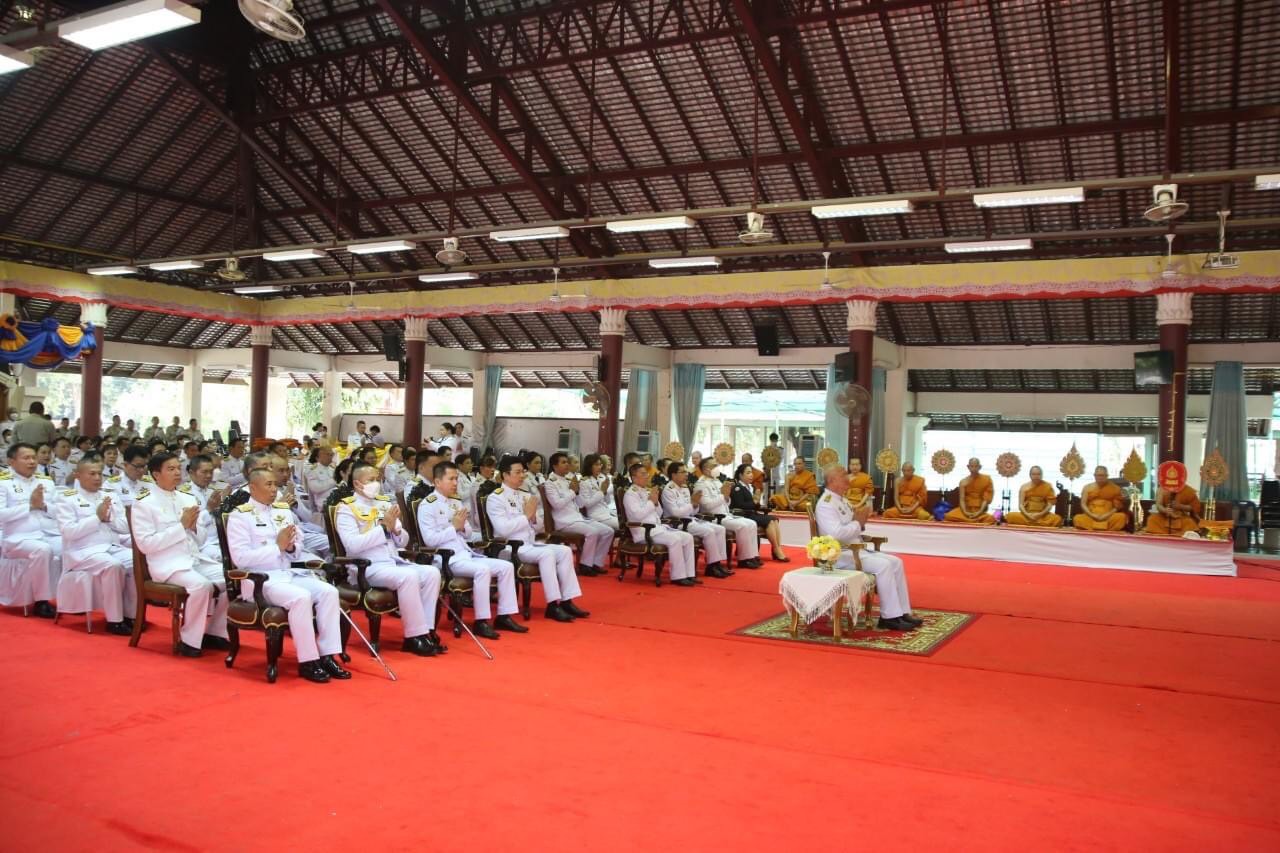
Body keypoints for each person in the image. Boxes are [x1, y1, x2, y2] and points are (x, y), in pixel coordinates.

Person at [227, 467, 350, 683]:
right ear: (252, 487)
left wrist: (292, 548)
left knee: (329, 592)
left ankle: (327, 655)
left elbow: (298, 546)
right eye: (269, 485)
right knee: (300, 597)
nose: (275, 489)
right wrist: (278, 547)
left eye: (275, 484)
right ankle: (308, 661)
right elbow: (241, 559)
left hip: (288, 573)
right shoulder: (240, 516)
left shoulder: (283, 511)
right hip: (261, 580)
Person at [336, 462, 445, 656]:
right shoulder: (346, 508)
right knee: (408, 577)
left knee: (431, 573)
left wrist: (395, 529)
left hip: (392, 561)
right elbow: (352, 546)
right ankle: (414, 636)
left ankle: (427, 631)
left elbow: (403, 540)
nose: (376, 483)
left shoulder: (384, 503)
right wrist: (383, 529)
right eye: (371, 480)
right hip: (368, 566)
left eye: (378, 479)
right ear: (357, 483)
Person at [130, 452, 229, 656]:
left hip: (193, 558)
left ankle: (215, 632)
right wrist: (181, 526)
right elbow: (146, 545)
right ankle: (189, 640)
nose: (177, 473)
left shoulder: (187, 498)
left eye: (178, 468)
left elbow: (200, 539)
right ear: (156, 474)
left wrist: (192, 528)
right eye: (171, 469)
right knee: (200, 586)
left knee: (233, 579)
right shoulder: (144, 503)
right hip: (167, 564)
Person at [417, 460, 526, 639]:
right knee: (483, 570)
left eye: (457, 478)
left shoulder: (456, 502)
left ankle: (504, 616)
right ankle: (481, 622)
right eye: (451, 479)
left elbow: (467, 533)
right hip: (446, 558)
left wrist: (460, 527)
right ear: (437, 482)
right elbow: (430, 541)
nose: (455, 483)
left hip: (465, 554)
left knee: (506, 567)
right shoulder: (427, 505)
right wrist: (454, 527)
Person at [815, 466, 921, 631]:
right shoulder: (826, 504)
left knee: (896, 562)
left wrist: (861, 522)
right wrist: (858, 522)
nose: (848, 478)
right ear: (832, 481)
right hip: (839, 554)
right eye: (843, 476)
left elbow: (852, 526)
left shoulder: (842, 500)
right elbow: (835, 534)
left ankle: (902, 612)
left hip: (855, 549)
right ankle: (890, 617)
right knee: (884, 566)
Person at [486, 456, 588, 622]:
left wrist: (533, 519)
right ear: (505, 475)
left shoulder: (525, 495)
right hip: (509, 547)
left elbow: (538, 524)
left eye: (523, 472)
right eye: (517, 472)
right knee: (547, 554)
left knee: (564, 550)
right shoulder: (496, 498)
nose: (522, 476)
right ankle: (552, 604)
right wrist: (526, 517)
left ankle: (567, 600)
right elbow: (502, 529)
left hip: (529, 543)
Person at [54, 457, 135, 635]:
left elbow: (125, 526)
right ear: (78, 475)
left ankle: (132, 616)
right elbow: (69, 532)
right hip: (82, 552)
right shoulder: (67, 499)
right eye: (92, 474)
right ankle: (115, 620)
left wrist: (109, 518)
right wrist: (96, 518)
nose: (97, 478)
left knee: (136, 562)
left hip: (111, 547)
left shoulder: (111, 495)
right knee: (113, 566)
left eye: (99, 473)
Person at [0, 443, 61, 617]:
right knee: (43, 550)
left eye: (33, 457)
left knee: (69, 548)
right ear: (11, 461)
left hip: (48, 533)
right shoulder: (3, 483)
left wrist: (42, 505)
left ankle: (71, 600)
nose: (32, 461)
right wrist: (29, 506)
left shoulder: (46, 481)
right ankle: (41, 601)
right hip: (18, 538)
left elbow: (60, 511)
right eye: (26, 458)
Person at [624, 462, 697, 586]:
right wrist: (651, 503)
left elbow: (659, 513)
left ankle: (690, 574)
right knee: (674, 540)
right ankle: (678, 576)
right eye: (643, 474)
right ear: (634, 477)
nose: (647, 476)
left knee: (687, 537)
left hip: (657, 528)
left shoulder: (646, 491)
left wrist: (656, 503)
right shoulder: (630, 494)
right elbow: (637, 516)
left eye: (647, 473)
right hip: (643, 532)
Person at [545, 451, 614, 576]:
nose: (567, 465)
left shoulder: (568, 480)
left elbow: (581, 504)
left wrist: (577, 492)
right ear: (554, 466)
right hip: (564, 520)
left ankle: (596, 562)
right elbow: (557, 504)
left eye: (567, 462)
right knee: (592, 532)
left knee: (608, 531)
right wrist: (572, 491)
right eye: (563, 462)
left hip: (577, 518)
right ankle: (585, 565)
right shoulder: (550, 483)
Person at [662, 461, 731, 577]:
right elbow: (675, 513)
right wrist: (691, 504)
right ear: (673, 475)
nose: (686, 474)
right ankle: (711, 565)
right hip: (677, 523)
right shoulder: (668, 490)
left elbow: (693, 511)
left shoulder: (684, 488)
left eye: (686, 472)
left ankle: (718, 563)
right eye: (683, 472)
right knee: (708, 531)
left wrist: (695, 505)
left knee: (719, 529)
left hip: (690, 520)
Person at [693, 457, 762, 568]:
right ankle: (743, 559)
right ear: (706, 469)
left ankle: (752, 556)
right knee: (742, 526)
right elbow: (707, 505)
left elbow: (727, 502)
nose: (717, 468)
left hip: (726, 514)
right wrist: (722, 496)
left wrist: (726, 497)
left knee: (751, 523)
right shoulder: (700, 484)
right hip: (714, 517)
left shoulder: (717, 481)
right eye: (714, 466)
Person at [729, 462, 788, 561]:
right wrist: (755, 502)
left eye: (751, 472)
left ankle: (777, 548)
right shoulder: (738, 488)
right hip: (743, 516)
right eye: (748, 473)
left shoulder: (749, 487)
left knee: (774, 519)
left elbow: (754, 504)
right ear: (740, 475)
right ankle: (776, 549)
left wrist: (757, 503)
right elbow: (740, 505)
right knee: (769, 521)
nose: (751, 475)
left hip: (752, 513)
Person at [1072, 466, 1126, 531]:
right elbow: (1083, 504)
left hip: (1108, 516)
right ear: (1094, 476)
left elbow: (1117, 507)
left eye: (1102, 475)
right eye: (1098, 475)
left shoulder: (1115, 488)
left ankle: (1095, 528)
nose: (1100, 478)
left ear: (1107, 476)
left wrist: (1105, 516)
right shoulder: (1087, 487)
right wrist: (1092, 515)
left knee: (1122, 517)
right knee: (1077, 518)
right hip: (1091, 516)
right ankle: (1104, 528)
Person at [944, 458, 996, 525]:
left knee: (991, 519)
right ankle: (973, 520)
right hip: (966, 509)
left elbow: (986, 499)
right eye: (972, 466)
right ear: (968, 467)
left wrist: (979, 512)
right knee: (948, 516)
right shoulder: (963, 481)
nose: (974, 468)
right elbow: (961, 499)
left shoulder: (987, 479)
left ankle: (972, 520)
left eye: (976, 466)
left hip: (979, 510)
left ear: (980, 467)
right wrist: (965, 512)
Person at [577, 453, 618, 530]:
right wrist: (602, 491)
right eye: (596, 465)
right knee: (624, 527)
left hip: (607, 512)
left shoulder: (602, 478)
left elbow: (607, 502)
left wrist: (606, 492)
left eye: (600, 464)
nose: (599, 467)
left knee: (627, 523)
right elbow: (587, 504)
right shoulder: (584, 482)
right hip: (596, 515)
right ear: (589, 467)